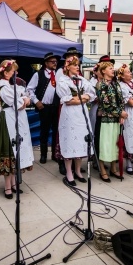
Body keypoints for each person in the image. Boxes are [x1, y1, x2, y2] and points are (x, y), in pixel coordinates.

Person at [0, 60, 34, 199]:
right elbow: (18, 104)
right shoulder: (3, 87)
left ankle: (13, 183)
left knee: (16, 151)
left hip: (17, 119)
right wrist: (23, 100)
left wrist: (24, 99)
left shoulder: (11, 86)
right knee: (9, 151)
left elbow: (26, 97)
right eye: (14, 71)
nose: (16, 73)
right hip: (7, 120)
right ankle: (8, 186)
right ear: (6, 73)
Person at [56, 56, 95, 186]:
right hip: (69, 115)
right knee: (70, 141)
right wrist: (81, 98)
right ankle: (69, 173)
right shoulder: (62, 80)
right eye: (74, 65)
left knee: (80, 141)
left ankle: (78, 171)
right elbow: (67, 100)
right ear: (67, 67)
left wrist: (80, 98)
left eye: (78, 65)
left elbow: (91, 94)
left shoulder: (82, 80)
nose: (77, 67)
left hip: (82, 114)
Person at [96, 61, 127, 181]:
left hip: (116, 118)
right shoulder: (101, 84)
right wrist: (120, 112)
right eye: (110, 68)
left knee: (115, 143)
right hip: (105, 119)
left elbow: (121, 100)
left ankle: (113, 168)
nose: (113, 70)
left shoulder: (116, 84)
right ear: (103, 71)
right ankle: (102, 169)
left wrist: (121, 115)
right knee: (105, 143)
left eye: (113, 68)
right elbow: (105, 104)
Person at [27, 52, 61, 164]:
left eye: (56, 61)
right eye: (52, 61)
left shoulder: (59, 75)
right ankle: (43, 155)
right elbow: (29, 89)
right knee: (44, 131)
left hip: (56, 107)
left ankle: (55, 154)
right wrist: (36, 101)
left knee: (56, 130)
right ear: (46, 63)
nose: (55, 63)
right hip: (44, 107)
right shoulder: (39, 74)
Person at [55, 46, 83, 175]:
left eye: (76, 56)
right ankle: (63, 162)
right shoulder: (61, 72)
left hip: (78, 106)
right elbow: (64, 93)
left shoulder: (79, 73)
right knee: (65, 133)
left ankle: (76, 163)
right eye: (71, 56)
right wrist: (78, 98)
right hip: (66, 105)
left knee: (78, 134)